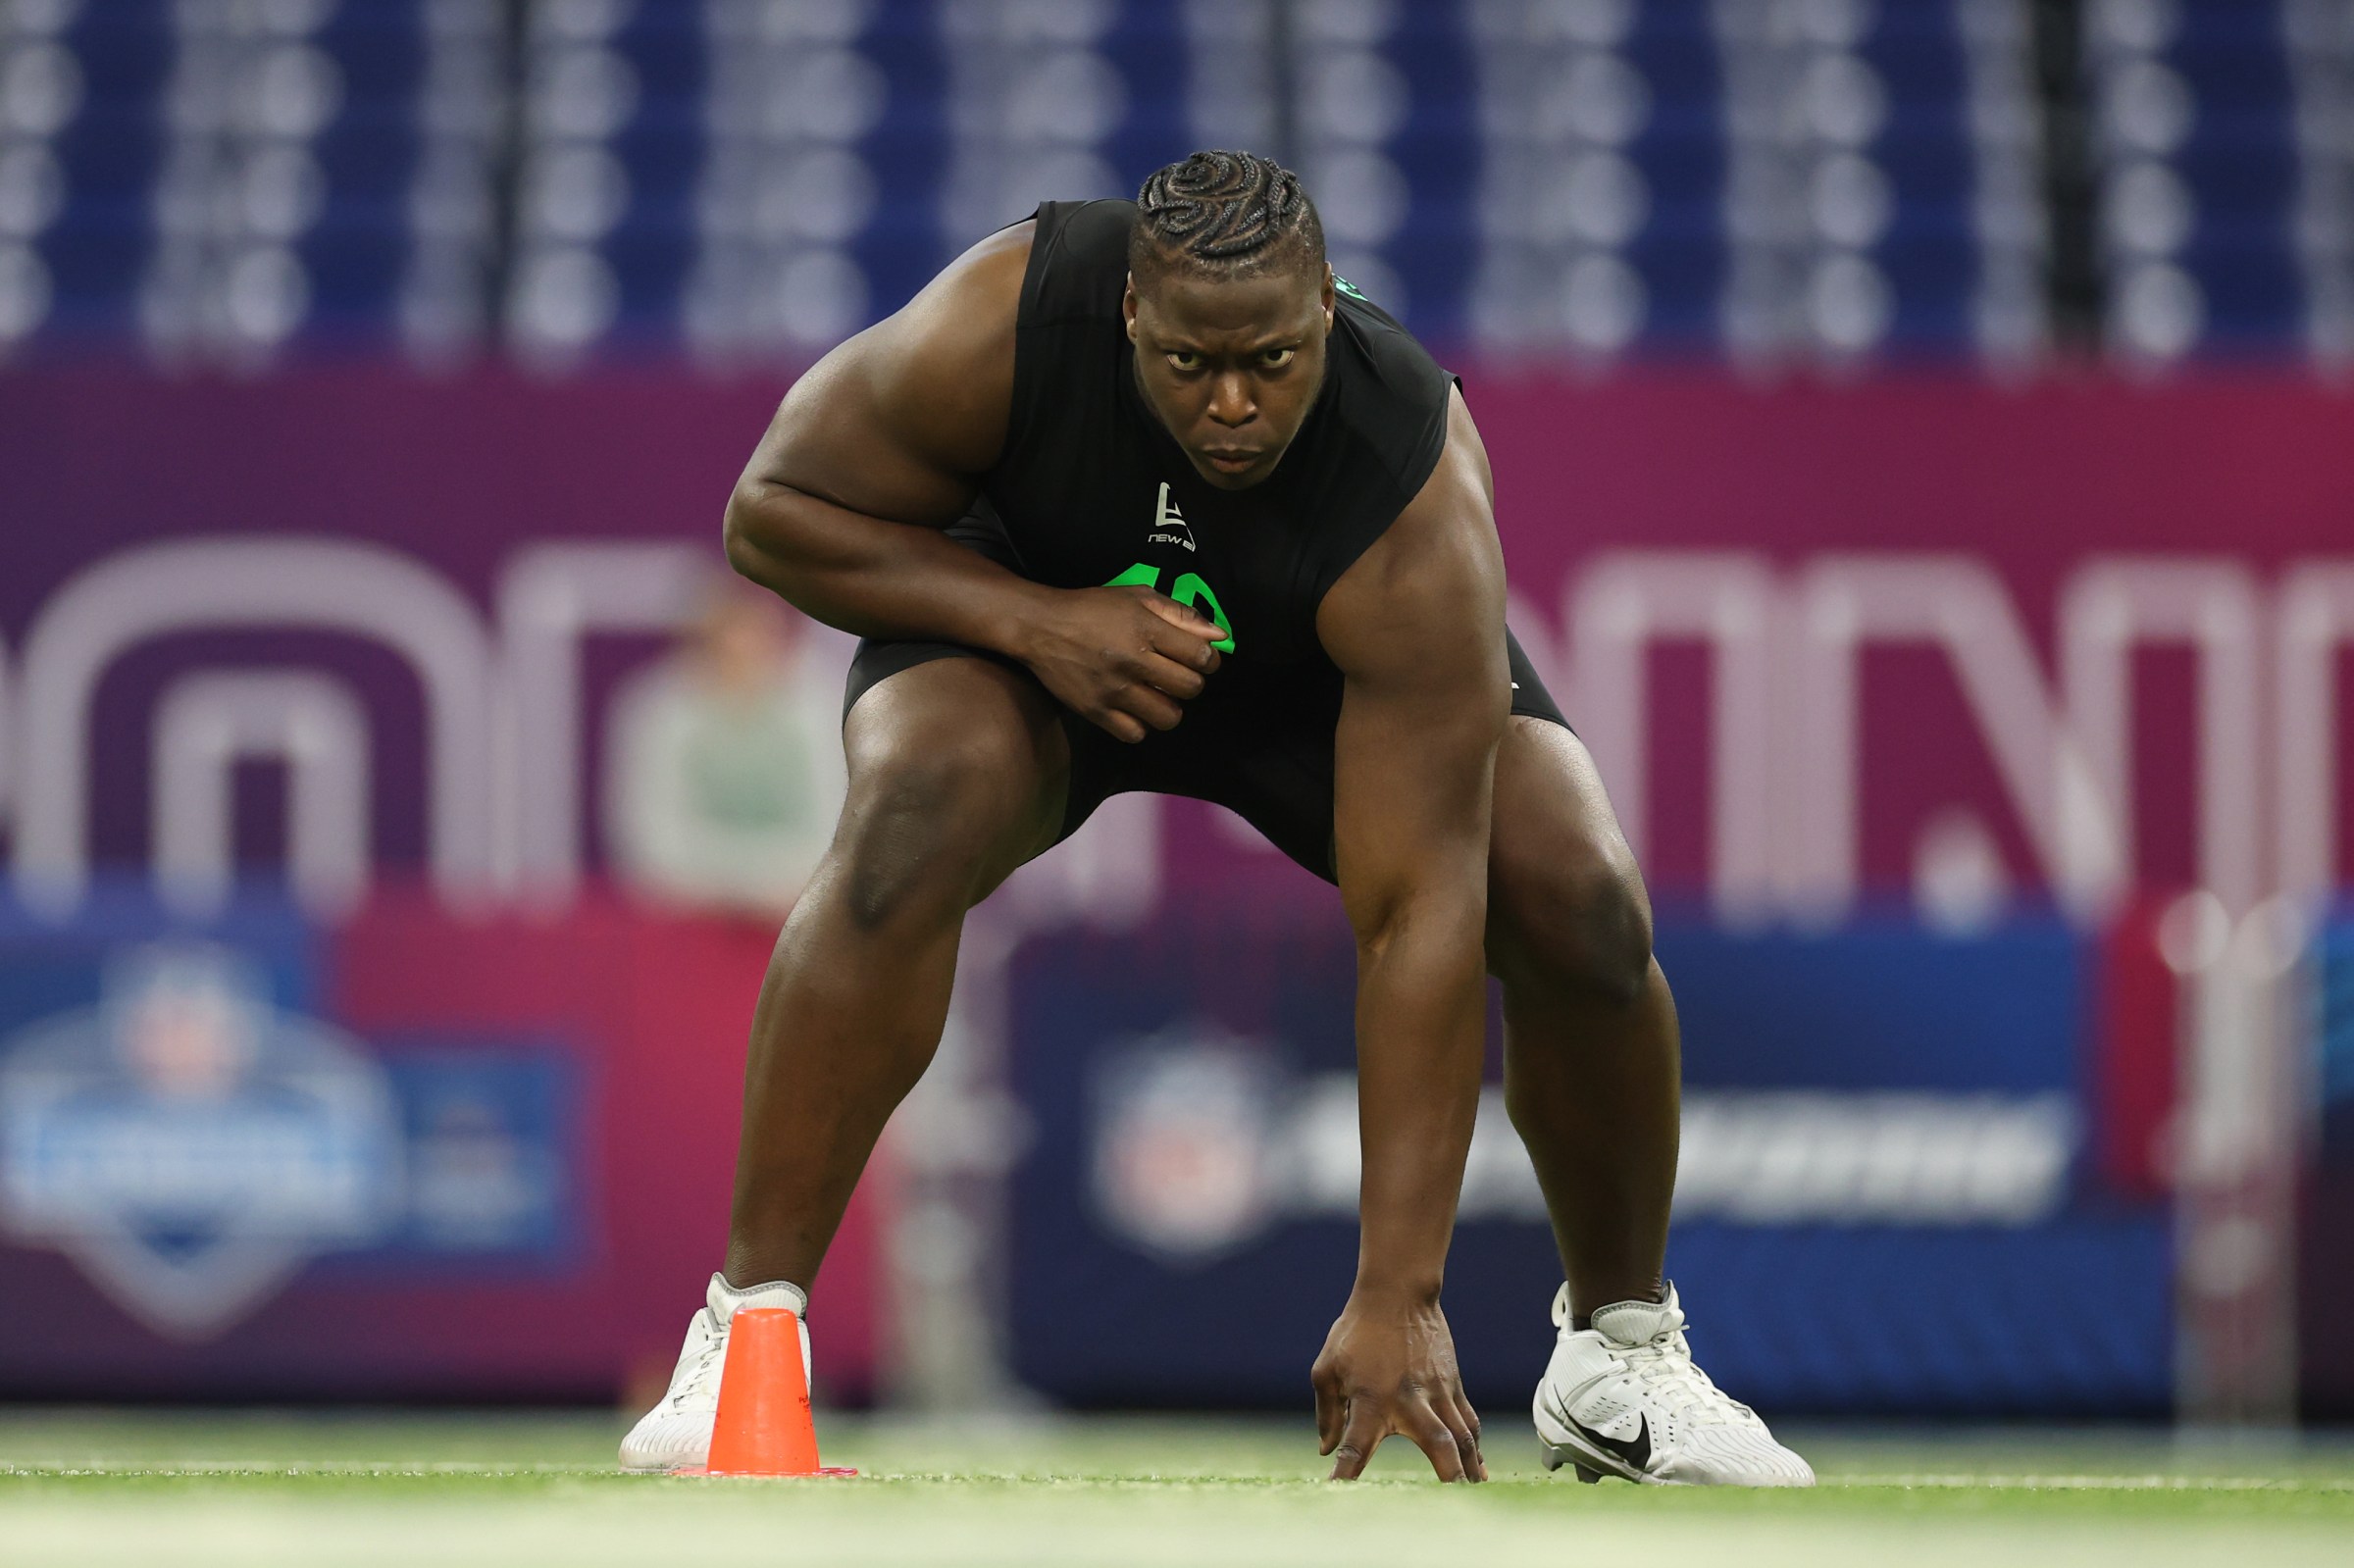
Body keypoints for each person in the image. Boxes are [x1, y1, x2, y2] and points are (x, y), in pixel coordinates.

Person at [621, 151, 1812, 1487]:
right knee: (910, 812)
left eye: (1275, 362)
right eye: (1191, 364)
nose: (1234, 403)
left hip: (1318, 687)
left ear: (1325, 318)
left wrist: (1397, 1288)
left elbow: (1418, 906)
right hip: (1035, 628)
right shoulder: (1007, 317)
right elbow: (771, 514)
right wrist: (1036, 621)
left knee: (1579, 895)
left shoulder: (1410, 480)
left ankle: (1621, 1352)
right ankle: (746, 1334)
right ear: (1130, 314)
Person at [605, 585, 845, 919]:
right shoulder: (656, 710)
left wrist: (778, 886)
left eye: (758, 638)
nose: (743, 655)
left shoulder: (819, 707)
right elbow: (651, 843)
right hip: (683, 924)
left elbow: (835, 831)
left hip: (795, 915)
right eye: (727, 641)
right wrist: (743, 891)